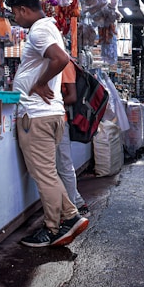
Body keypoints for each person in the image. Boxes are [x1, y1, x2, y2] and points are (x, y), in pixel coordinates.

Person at [6, 0, 89, 247]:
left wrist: (40, 83)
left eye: (14, 14)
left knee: (44, 175)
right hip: (49, 114)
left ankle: (53, 229)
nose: (15, 20)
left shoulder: (40, 30)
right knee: (49, 173)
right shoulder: (49, 28)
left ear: (22, 9)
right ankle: (70, 217)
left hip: (38, 116)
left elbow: (60, 59)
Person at [57, 60, 90, 217]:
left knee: (64, 165)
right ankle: (76, 202)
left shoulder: (65, 64)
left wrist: (52, 102)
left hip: (60, 119)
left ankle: (71, 212)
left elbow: (72, 96)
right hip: (54, 118)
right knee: (59, 166)